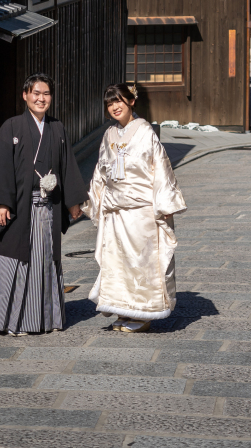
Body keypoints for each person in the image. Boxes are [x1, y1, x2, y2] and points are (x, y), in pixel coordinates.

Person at [0, 73, 87, 336]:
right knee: (19, 260)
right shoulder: (12, 127)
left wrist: (73, 202)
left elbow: (67, 165)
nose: (41, 98)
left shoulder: (57, 128)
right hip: (20, 208)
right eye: (36, 93)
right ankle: (15, 322)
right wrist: (1, 203)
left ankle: (46, 320)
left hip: (48, 208)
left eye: (46, 94)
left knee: (46, 259)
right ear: (25, 95)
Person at [82, 81, 186, 333]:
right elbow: (100, 171)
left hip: (141, 210)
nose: (114, 107)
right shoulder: (109, 134)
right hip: (115, 210)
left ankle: (143, 312)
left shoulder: (145, 131)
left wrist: (165, 203)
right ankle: (123, 309)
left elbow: (160, 167)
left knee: (140, 260)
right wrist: (93, 201)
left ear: (131, 101)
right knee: (117, 261)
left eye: (118, 100)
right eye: (109, 103)